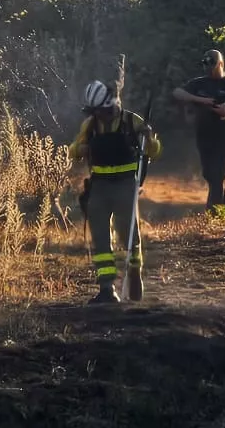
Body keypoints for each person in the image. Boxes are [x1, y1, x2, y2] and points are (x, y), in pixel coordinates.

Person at [69, 80, 162, 304]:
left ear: (110, 105)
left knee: (128, 235)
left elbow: (154, 152)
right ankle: (106, 289)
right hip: (100, 186)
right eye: (95, 111)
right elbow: (74, 150)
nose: (99, 115)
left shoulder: (132, 121)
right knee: (100, 238)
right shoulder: (91, 125)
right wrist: (82, 148)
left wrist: (149, 138)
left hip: (125, 185)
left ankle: (134, 273)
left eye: (101, 110)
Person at [172, 49, 225, 212]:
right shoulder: (199, 83)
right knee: (208, 172)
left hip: (224, 134)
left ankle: (213, 210)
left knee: (219, 171)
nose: (208, 67)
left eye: (212, 63)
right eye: (205, 63)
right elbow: (177, 93)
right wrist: (201, 100)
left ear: (221, 64)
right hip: (204, 133)